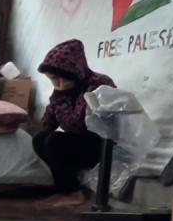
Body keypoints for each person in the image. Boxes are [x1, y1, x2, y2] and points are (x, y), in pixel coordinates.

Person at [33, 39, 115, 195]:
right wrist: (57, 97)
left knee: (55, 141)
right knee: (40, 139)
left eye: (60, 78)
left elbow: (77, 124)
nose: (57, 84)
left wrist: (61, 96)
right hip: (81, 140)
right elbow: (48, 122)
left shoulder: (98, 84)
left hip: (103, 145)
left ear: (73, 72)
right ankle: (68, 185)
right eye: (52, 79)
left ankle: (70, 192)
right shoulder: (62, 89)